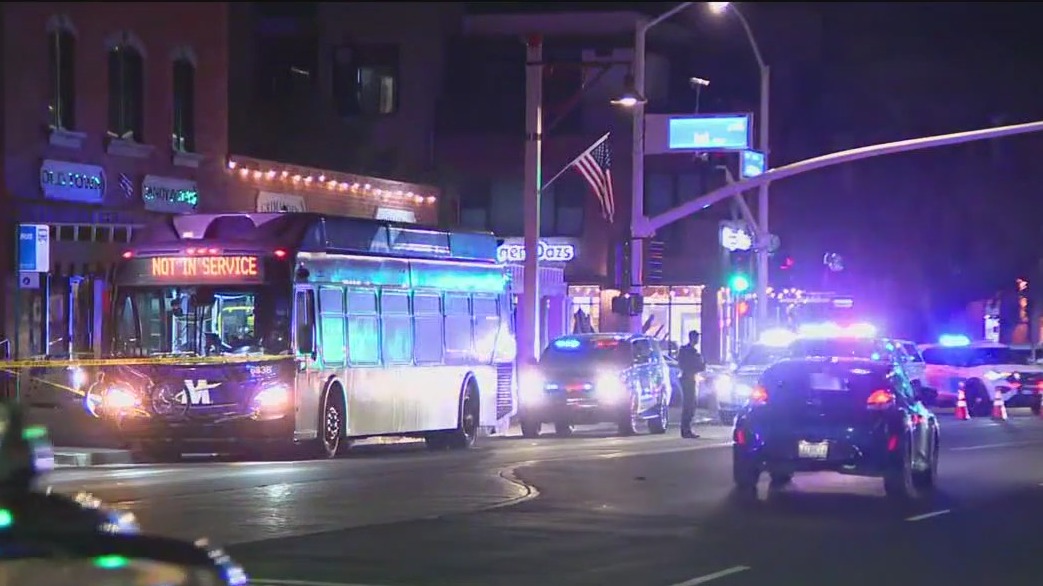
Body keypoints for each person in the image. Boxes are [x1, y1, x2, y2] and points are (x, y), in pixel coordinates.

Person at [676, 330, 706, 438]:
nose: (697, 339)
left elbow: (701, 366)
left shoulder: (692, 351)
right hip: (687, 379)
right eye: (696, 337)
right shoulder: (687, 351)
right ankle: (685, 429)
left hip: (691, 378)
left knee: (691, 405)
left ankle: (687, 429)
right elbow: (685, 364)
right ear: (692, 338)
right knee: (689, 405)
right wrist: (697, 366)